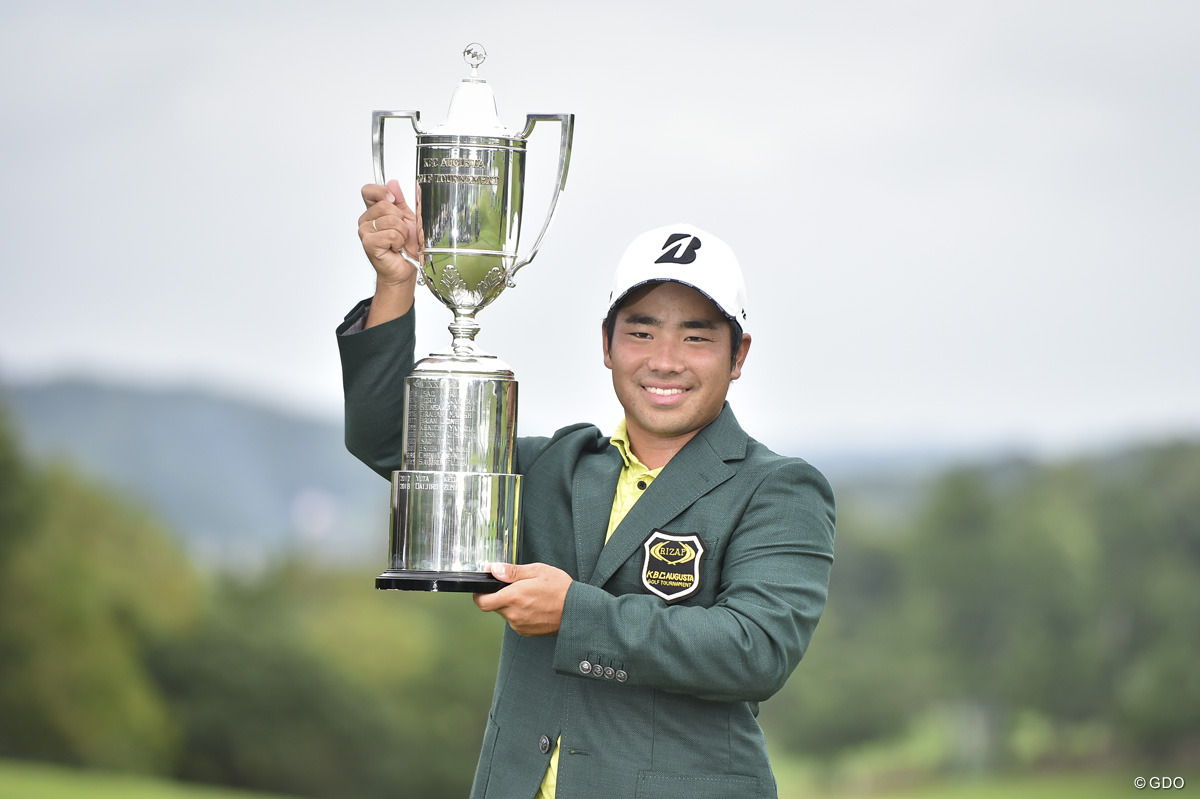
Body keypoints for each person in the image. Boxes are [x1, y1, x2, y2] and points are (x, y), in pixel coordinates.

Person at [337, 179, 836, 799]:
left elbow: (754, 650)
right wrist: (394, 285)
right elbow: (393, 445)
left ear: (739, 355)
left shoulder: (777, 489)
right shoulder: (557, 467)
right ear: (607, 344)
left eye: (699, 336)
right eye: (642, 331)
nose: (665, 359)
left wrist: (574, 613)